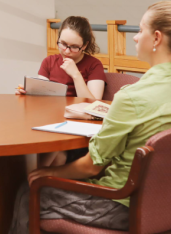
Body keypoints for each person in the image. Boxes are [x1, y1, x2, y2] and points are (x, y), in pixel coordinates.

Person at [9, 1, 171, 233]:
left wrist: (45, 173)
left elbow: (91, 168)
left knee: (30, 189)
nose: (135, 37)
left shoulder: (131, 96)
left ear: (157, 38)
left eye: (141, 30)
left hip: (122, 204)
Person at [16, 16, 107, 168]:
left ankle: (32, 182)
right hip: (50, 120)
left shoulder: (94, 65)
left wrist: (76, 74)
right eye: (63, 44)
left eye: (73, 47)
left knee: (56, 155)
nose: (66, 51)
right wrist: (29, 92)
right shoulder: (49, 62)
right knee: (52, 154)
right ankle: (33, 182)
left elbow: (94, 104)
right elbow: (41, 95)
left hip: (77, 124)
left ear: (84, 45)